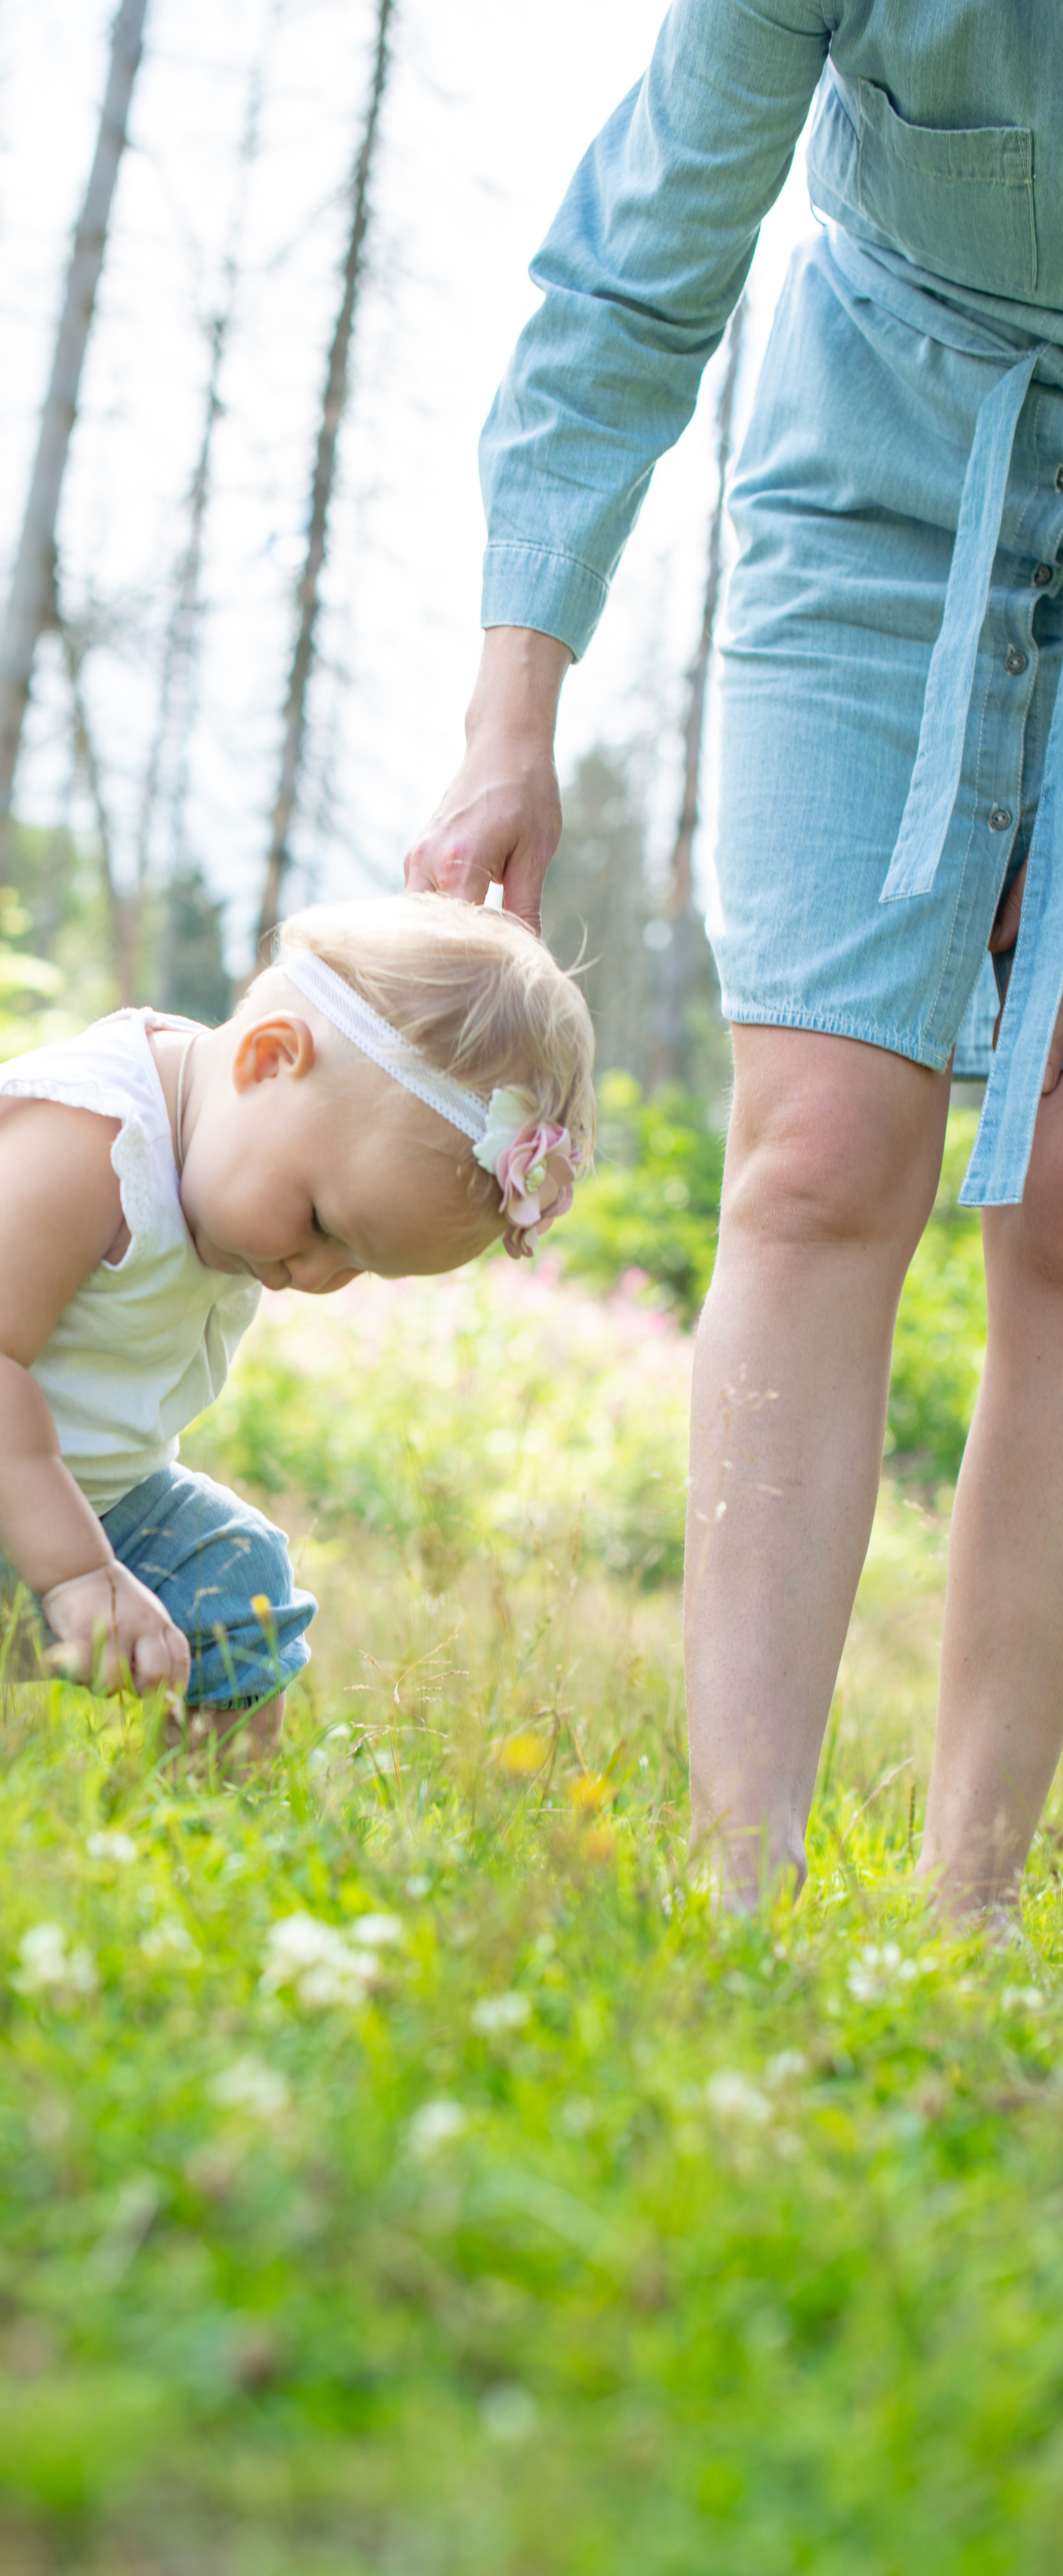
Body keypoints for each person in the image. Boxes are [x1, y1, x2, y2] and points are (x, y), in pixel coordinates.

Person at [406, 3, 1063, 1920]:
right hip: (880, 471)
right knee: (824, 1152)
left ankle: (973, 1901)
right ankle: (740, 1883)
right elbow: (634, 274)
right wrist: (509, 714)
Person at [0, 896, 594, 1738]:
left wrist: (91, 1559)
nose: (316, 1275)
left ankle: (206, 1835)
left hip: (24, 1492)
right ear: (267, 1060)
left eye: (361, 1267)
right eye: (321, 1225)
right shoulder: (93, 1133)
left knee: (244, 1577)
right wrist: (80, 1574)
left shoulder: (239, 1192)